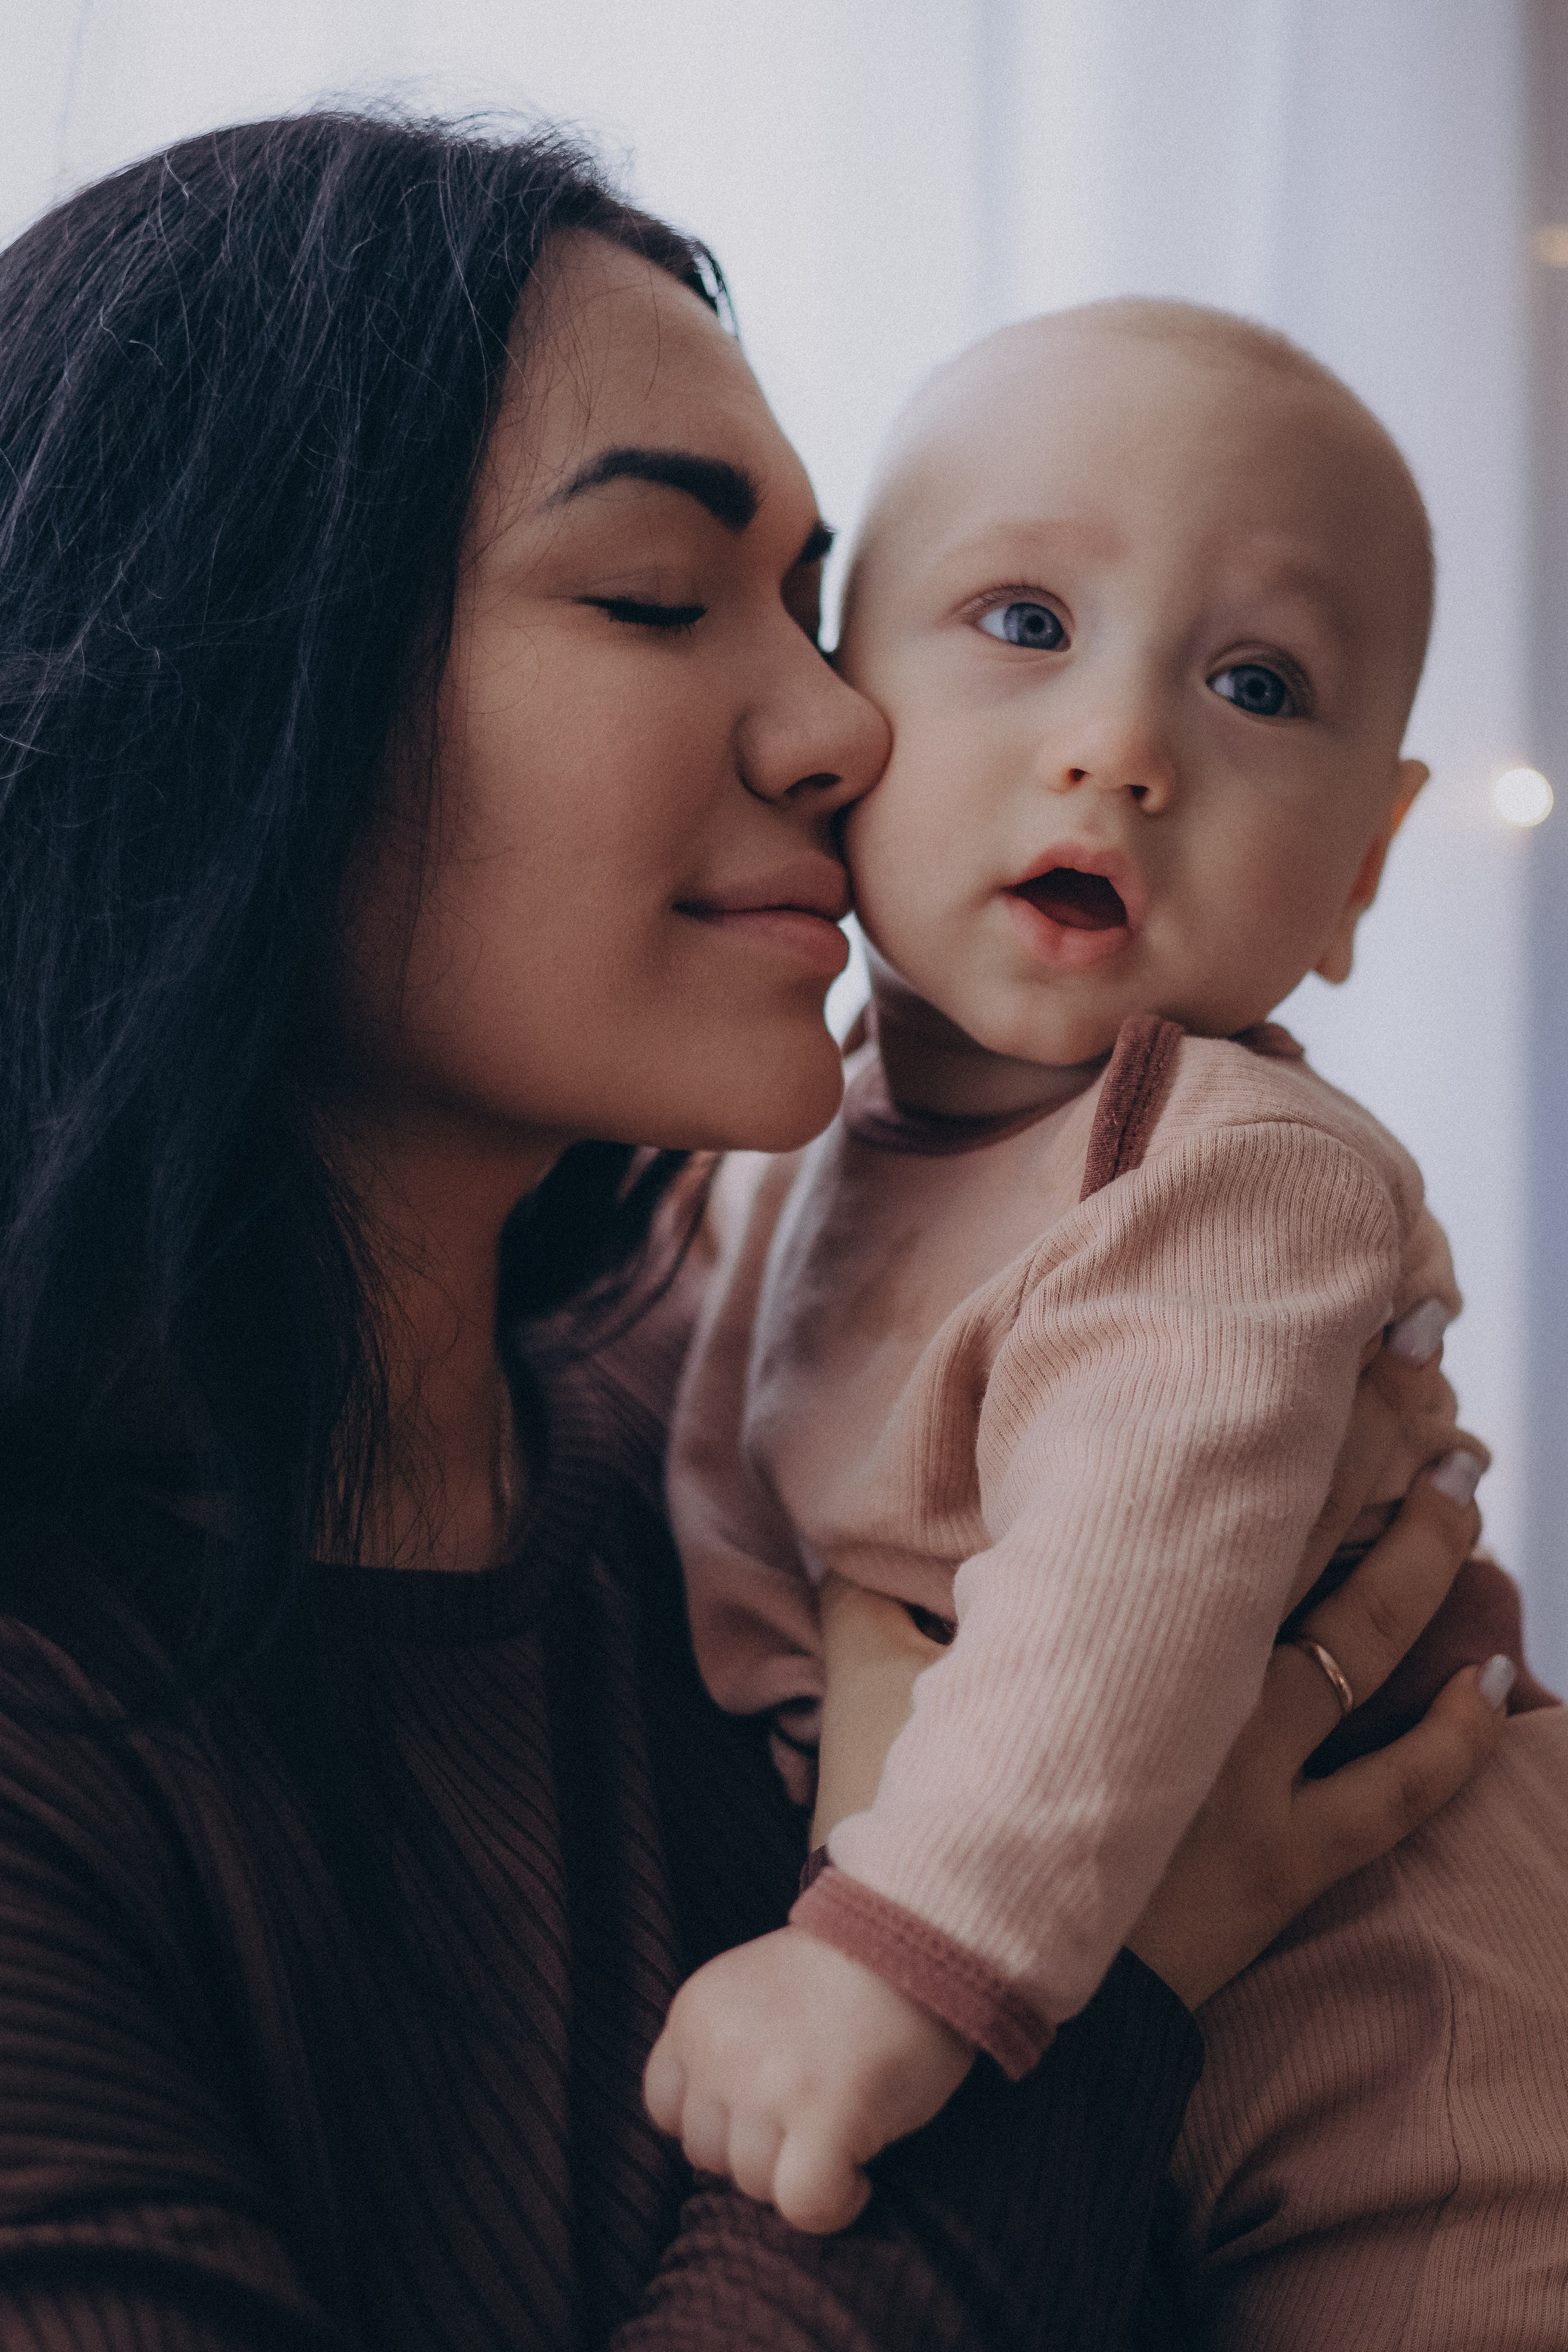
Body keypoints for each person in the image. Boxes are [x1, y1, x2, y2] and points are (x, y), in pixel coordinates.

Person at [0, 113, 1507, 2352]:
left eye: (812, 607)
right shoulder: (63, 1760)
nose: (839, 725)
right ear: (241, 697)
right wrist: (1110, 1984)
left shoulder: (760, 1447)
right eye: (650, 594)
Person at [654, 300, 1568, 2329]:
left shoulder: (1230, 1174)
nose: (1126, 747)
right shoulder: (802, 1156)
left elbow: (1124, 1600)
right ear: (838, 710)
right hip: (1125, 2056)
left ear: (1362, 866)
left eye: (1258, 682)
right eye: (1024, 625)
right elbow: (754, 1543)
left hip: (1412, 2056)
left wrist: (878, 1952)